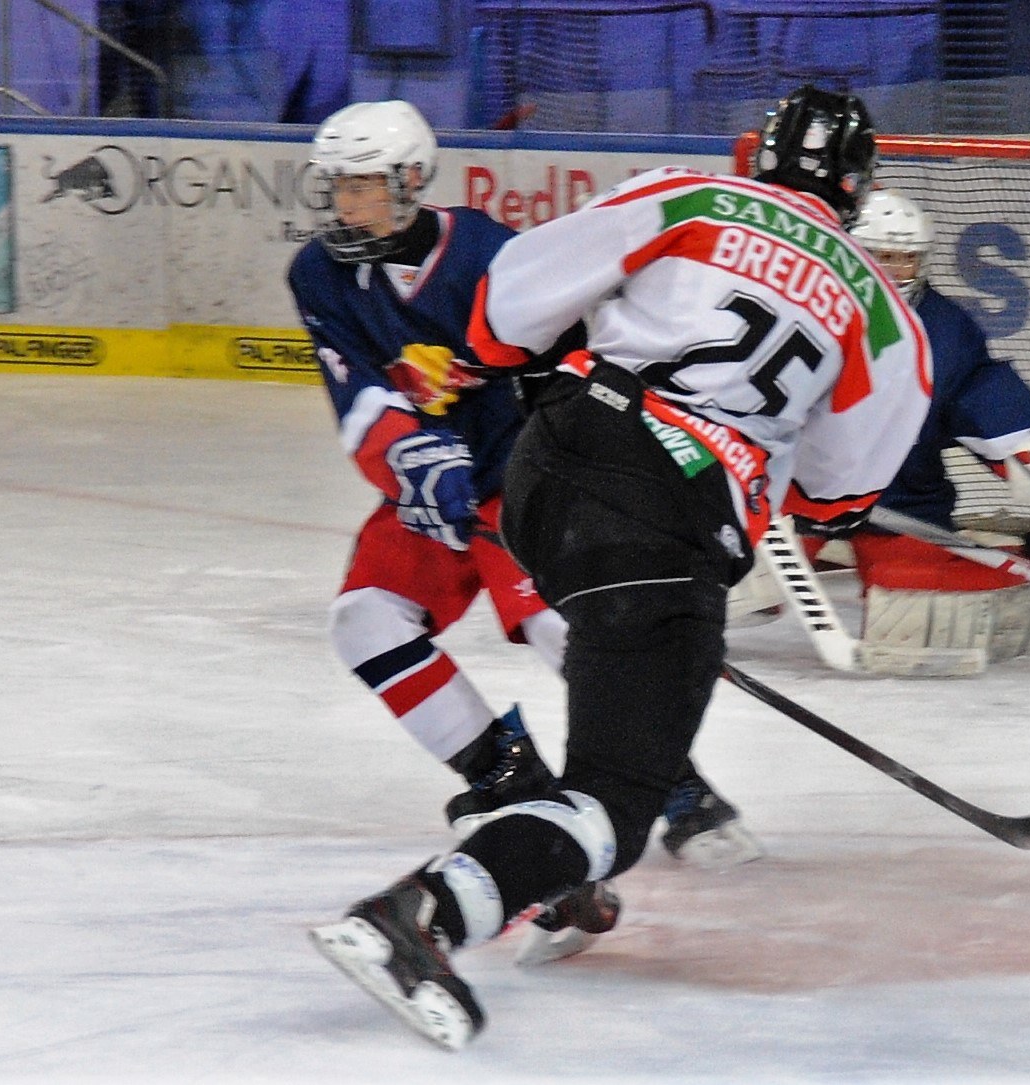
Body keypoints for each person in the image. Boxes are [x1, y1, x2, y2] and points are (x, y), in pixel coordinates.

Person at [309, 84, 933, 1049]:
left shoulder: (685, 192)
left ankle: (532, 819)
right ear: (857, 189)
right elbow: (834, 495)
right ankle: (431, 909)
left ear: (761, 156)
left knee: (582, 632)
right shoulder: (885, 314)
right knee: (615, 795)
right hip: (665, 519)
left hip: (548, 460)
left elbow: (509, 305)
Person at [289, 100, 758, 905]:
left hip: (527, 474)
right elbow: (358, 392)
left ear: (410, 180)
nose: (346, 204)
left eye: (362, 186)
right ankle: (504, 774)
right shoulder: (319, 273)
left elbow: (569, 361)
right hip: (428, 491)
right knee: (363, 620)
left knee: (566, 630)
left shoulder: (487, 252)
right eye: (337, 187)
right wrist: (412, 458)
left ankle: (675, 781)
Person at [787, 187, 1030, 674]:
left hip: (897, 502)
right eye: (884, 256)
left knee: (910, 597)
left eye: (908, 258)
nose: (897, 270)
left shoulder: (943, 327)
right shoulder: (802, 305)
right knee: (735, 579)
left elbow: (982, 398)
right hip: (792, 496)